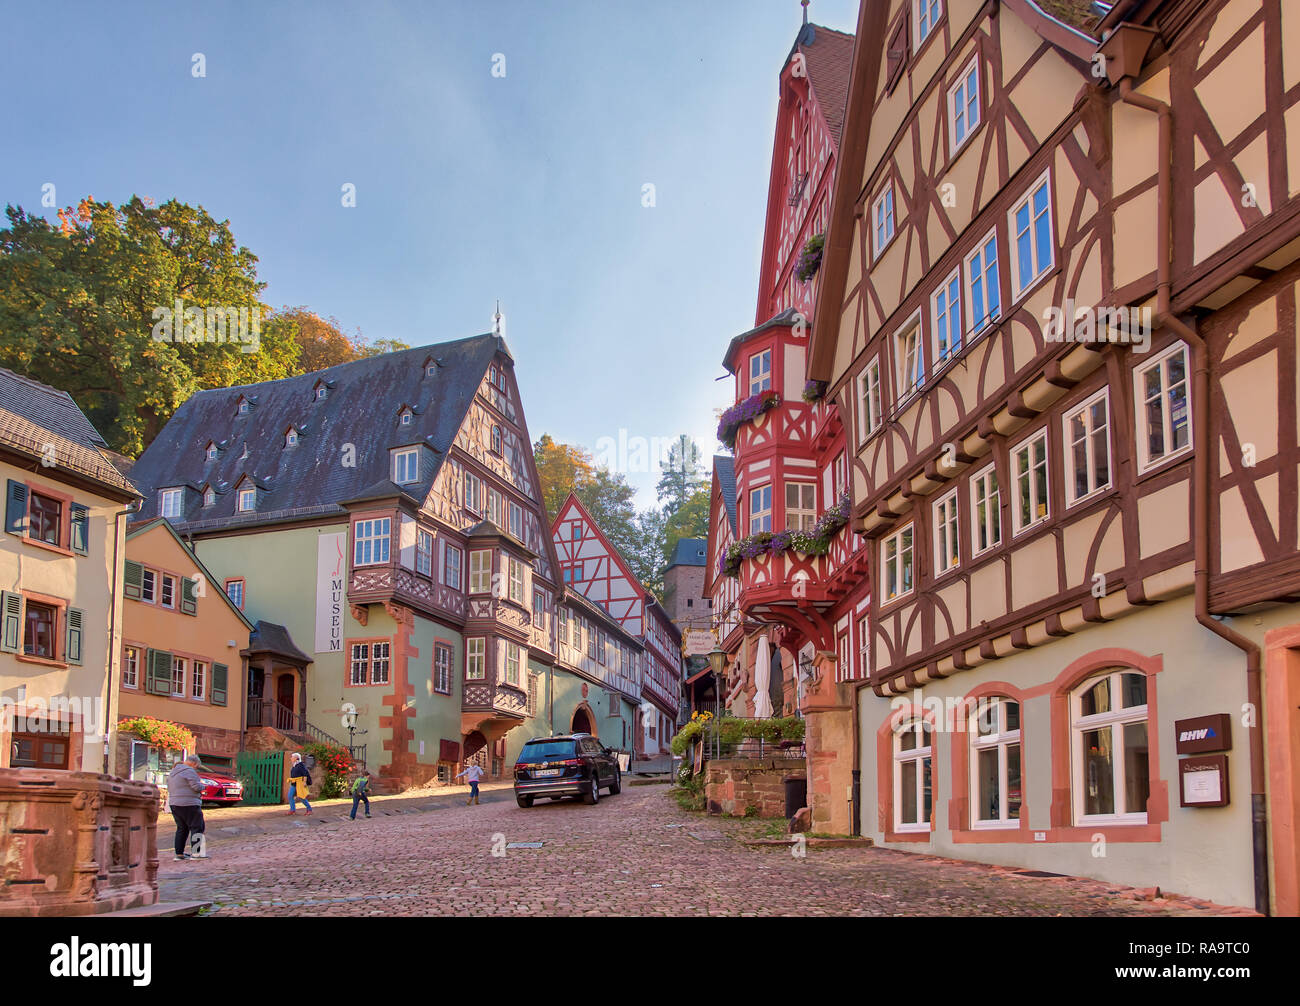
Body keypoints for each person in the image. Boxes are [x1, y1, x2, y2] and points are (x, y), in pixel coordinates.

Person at [166, 755, 207, 862]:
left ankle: (179, 854)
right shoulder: (189, 771)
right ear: (194, 763)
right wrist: (204, 785)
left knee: (181, 828)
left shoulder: (173, 772)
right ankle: (197, 853)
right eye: (197, 766)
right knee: (197, 827)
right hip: (189, 803)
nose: (196, 768)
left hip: (174, 803)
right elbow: (196, 787)